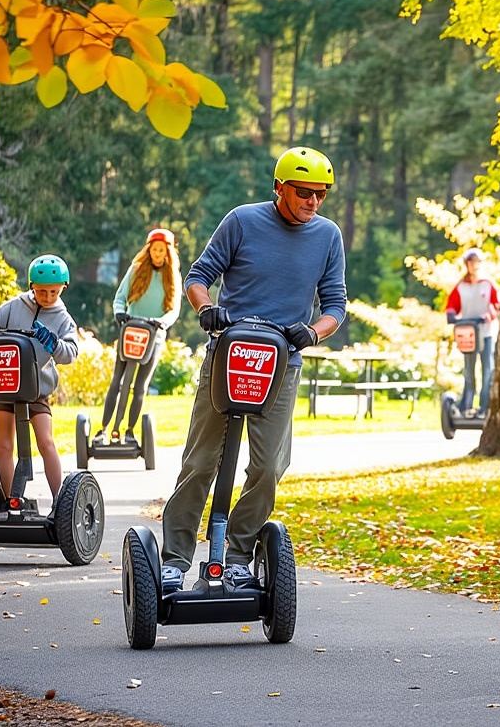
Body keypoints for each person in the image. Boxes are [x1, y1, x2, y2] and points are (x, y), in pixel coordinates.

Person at [159, 146, 348, 593]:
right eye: (304, 192)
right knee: (201, 462)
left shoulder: (328, 236)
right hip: (229, 355)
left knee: (267, 467)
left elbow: (337, 305)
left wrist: (313, 332)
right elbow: (198, 277)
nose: (313, 202)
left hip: (283, 362)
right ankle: (174, 559)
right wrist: (207, 309)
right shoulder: (242, 220)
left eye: (321, 194)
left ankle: (239, 554)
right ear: (279, 187)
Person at [0, 255, 79, 500]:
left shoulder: (63, 319)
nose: (48, 297)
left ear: (64, 287)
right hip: (7, 386)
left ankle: (60, 502)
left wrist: (53, 343)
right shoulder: (15, 306)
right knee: (4, 444)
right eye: (41, 292)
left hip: (37, 389)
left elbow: (70, 353)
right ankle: (10, 500)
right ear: (31, 287)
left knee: (45, 442)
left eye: (53, 291)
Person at [95, 228, 182, 444]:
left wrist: (163, 322)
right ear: (148, 249)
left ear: (168, 252)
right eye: (154, 249)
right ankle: (104, 428)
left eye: (162, 250)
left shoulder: (173, 276)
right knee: (118, 380)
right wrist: (119, 313)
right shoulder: (136, 269)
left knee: (141, 385)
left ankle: (130, 430)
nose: (158, 254)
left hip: (154, 334)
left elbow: (174, 310)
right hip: (131, 330)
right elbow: (120, 298)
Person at [444, 247, 500, 417]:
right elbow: (452, 304)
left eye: (476, 262)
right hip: (468, 332)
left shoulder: (488, 284)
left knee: (487, 368)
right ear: (466, 264)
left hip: (486, 332)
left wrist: (487, 315)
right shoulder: (461, 286)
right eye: (470, 262)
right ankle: (466, 403)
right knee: (468, 369)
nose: (474, 265)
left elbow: (497, 304)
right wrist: (451, 314)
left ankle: (485, 404)